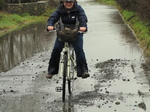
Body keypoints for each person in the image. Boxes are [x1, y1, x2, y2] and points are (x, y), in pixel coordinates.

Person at [46, 0, 90, 79]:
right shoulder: (60, 9)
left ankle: (83, 71)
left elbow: (82, 17)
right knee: (56, 49)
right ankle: (51, 71)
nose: (68, 4)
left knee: (79, 50)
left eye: (70, 2)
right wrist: (50, 25)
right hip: (63, 33)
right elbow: (53, 17)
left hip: (76, 33)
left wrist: (83, 26)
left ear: (74, 2)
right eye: (66, 2)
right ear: (63, 2)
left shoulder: (78, 9)